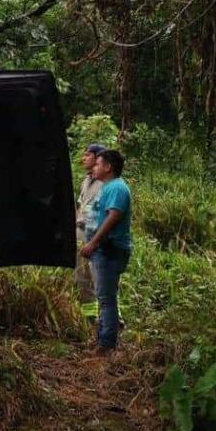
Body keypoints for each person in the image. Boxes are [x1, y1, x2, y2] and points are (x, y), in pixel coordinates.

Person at [80, 149, 132, 354]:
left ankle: (106, 344)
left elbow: (113, 216)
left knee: (106, 298)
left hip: (109, 250)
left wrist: (93, 242)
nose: (94, 167)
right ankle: (102, 339)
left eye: (98, 164)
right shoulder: (109, 187)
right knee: (104, 295)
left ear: (108, 167)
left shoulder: (117, 188)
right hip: (104, 249)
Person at [75, 144, 106, 312]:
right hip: (80, 232)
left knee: (99, 276)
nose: (84, 158)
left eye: (87, 155)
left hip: (96, 234)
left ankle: (109, 316)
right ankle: (90, 316)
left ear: (97, 158)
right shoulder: (85, 181)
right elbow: (80, 207)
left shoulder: (105, 184)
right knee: (81, 275)